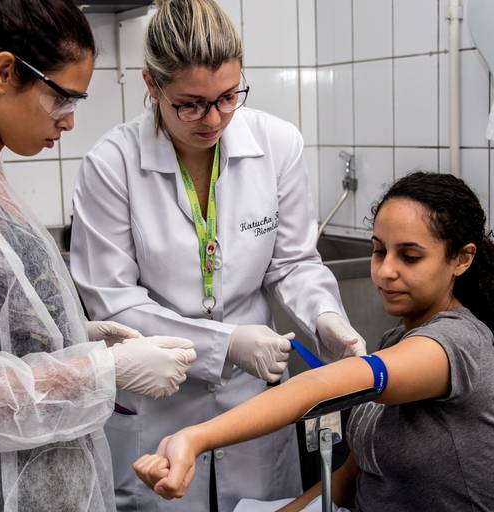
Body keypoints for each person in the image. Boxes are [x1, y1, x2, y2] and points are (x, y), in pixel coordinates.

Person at [0, 1, 197, 511]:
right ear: (2, 72)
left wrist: (68, 335)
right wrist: (103, 370)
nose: (68, 122)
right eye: (62, 98)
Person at [69, 0, 366, 510]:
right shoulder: (110, 164)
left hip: (253, 403)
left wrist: (327, 317)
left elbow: (293, 263)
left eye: (229, 97)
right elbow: (112, 302)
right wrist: (226, 343)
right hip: (158, 402)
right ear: (151, 85)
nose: (214, 119)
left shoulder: (278, 145)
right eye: (190, 103)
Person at [133, 171, 494, 512]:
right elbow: (351, 476)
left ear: (461, 258)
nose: (386, 271)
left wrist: (193, 437)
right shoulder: (398, 337)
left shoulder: (455, 344)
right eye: (379, 251)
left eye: (409, 257)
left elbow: (314, 389)